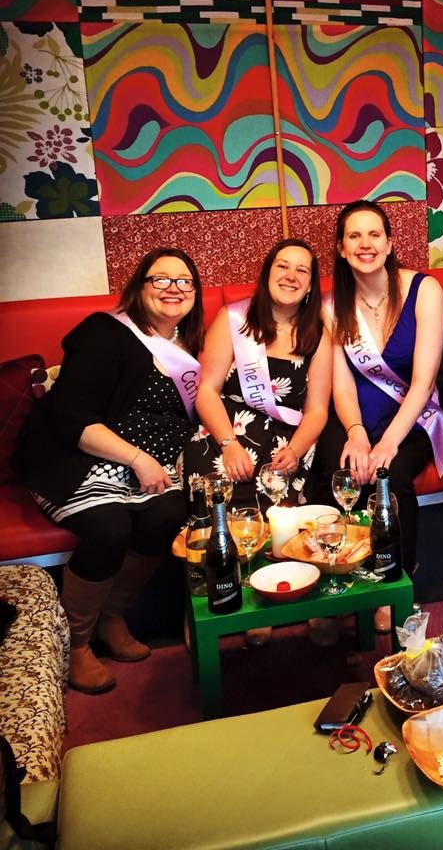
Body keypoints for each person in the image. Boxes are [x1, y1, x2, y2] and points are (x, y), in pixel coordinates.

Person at [16, 249, 204, 694]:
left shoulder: (190, 345)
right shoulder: (104, 333)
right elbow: (72, 417)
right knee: (109, 526)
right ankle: (77, 643)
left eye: (184, 281)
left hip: (150, 464)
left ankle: (112, 617)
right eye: (161, 279)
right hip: (77, 456)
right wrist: (137, 459)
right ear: (139, 287)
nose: (173, 288)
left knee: (168, 515)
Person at [312, 200, 443, 593]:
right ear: (341, 248)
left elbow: (424, 381)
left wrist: (388, 443)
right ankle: (336, 582)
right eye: (354, 236)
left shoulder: (424, 290)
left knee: (389, 480)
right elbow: (342, 385)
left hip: (412, 418)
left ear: (390, 243)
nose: (366, 244)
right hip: (355, 415)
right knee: (337, 470)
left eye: (374, 234)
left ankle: (394, 585)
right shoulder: (332, 307)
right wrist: (356, 434)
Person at [185, 239, 331, 510]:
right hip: (223, 434)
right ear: (266, 275)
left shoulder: (317, 336)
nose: (291, 276)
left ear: (310, 285)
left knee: (280, 521)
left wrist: (295, 451)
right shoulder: (234, 319)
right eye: (283, 266)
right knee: (217, 505)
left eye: (302, 270)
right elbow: (206, 391)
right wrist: (228, 445)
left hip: (286, 446)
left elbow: (317, 411)